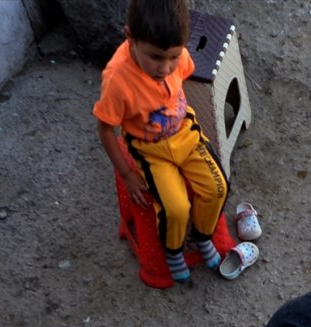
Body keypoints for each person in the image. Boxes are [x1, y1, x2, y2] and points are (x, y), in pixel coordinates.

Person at [93, 0, 227, 284]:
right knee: (175, 208)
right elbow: (105, 129)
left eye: (173, 57)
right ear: (130, 36)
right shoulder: (118, 79)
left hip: (186, 134)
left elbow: (183, 81)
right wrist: (127, 174)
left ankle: (203, 237)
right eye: (155, 57)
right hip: (149, 150)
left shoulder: (176, 55)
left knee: (218, 187)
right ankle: (173, 252)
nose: (165, 68)